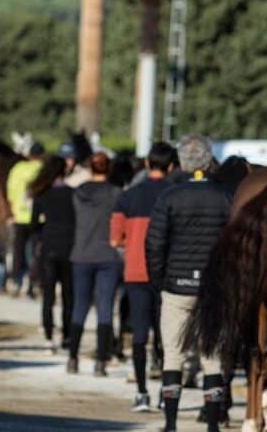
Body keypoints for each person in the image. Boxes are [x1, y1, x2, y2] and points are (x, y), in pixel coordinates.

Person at [146, 134, 232, 432]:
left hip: (176, 286)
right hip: (213, 289)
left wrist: (159, 281)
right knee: (212, 359)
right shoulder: (225, 197)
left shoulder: (169, 197)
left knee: (173, 354)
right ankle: (211, 425)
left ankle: (170, 424)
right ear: (209, 162)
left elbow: (154, 244)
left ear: (181, 162)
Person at [111, 141, 175, 412]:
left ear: (148, 164)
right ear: (172, 166)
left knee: (139, 333)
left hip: (136, 271)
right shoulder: (175, 194)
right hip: (168, 273)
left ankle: (141, 392)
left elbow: (115, 239)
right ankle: (165, 393)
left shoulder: (128, 196)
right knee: (166, 335)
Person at [67, 152, 123, 376]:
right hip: (107, 255)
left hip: (81, 253)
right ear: (108, 169)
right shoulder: (116, 194)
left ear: (90, 168)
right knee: (105, 308)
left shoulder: (78, 193)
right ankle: (101, 361)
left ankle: (72, 358)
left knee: (79, 307)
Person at [30, 155, 76, 351]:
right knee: (68, 295)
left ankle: (49, 334)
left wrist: (43, 230)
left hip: (49, 247)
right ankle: (67, 335)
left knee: (48, 294)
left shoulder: (41, 195)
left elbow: (33, 224)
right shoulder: (74, 194)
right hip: (70, 247)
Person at [6, 142, 44, 295]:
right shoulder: (44, 169)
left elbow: (10, 191)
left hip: (19, 215)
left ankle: (14, 279)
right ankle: (33, 281)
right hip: (39, 217)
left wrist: (13, 210)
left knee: (18, 250)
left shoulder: (18, 168)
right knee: (37, 251)